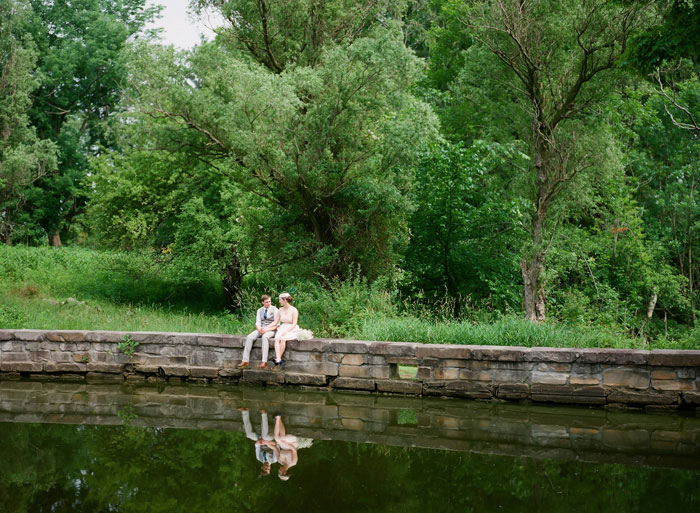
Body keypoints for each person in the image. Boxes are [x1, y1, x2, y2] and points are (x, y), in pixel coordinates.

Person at [239, 294, 278, 369]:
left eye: (270, 301)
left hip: (271, 329)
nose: (269, 303)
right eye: (267, 302)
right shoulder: (259, 310)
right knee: (249, 337)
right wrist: (260, 329)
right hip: (261, 328)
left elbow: (277, 325)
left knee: (265, 337)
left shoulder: (275, 309)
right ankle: (245, 360)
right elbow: (257, 323)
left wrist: (266, 329)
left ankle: (264, 361)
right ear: (263, 302)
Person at [273, 292, 312, 366]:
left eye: (280, 300)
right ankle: (278, 358)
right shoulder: (280, 310)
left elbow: (294, 323)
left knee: (283, 338)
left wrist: (286, 331)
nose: (279, 301)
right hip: (283, 327)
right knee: (277, 338)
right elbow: (275, 322)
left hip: (292, 328)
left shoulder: (294, 310)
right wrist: (266, 328)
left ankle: (278, 359)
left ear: (285, 300)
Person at [240, 407, 279, 476]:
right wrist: (266, 442)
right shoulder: (274, 459)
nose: (268, 467)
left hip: (261, 441)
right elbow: (276, 445)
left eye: (265, 468)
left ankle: (245, 412)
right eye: (269, 469)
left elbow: (257, 446)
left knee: (249, 435)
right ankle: (264, 414)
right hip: (271, 439)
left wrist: (258, 442)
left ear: (262, 467)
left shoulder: (259, 458)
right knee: (264, 436)